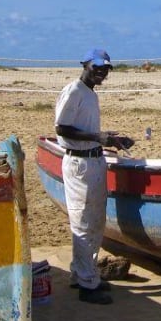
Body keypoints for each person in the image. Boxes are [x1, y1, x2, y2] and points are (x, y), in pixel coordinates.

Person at [54, 48, 135, 305]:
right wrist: (98, 137)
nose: (101, 73)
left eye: (105, 69)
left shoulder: (90, 94)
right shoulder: (74, 91)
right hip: (80, 164)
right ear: (85, 65)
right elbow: (62, 128)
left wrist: (110, 138)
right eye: (97, 67)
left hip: (93, 160)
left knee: (94, 220)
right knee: (83, 222)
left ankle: (82, 275)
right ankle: (88, 284)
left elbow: (84, 128)